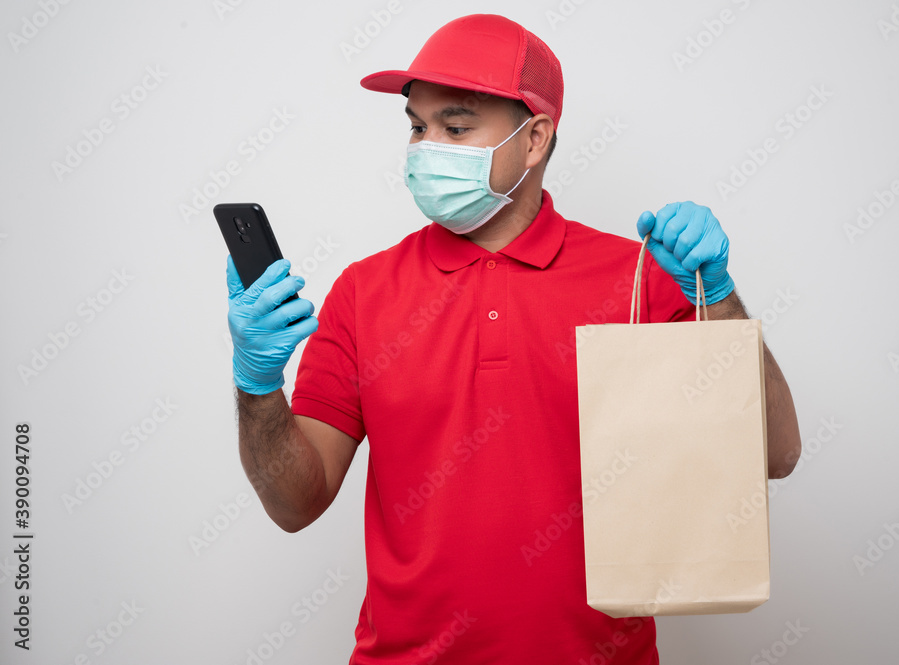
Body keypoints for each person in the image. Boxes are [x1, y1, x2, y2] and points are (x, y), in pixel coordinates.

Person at [225, 13, 801, 664]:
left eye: (456, 126)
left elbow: (775, 454)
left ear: (534, 139)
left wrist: (715, 298)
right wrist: (257, 384)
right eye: (417, 126)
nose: (425, 147)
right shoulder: (364, 292)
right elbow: (296, 502)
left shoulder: (636, 281)